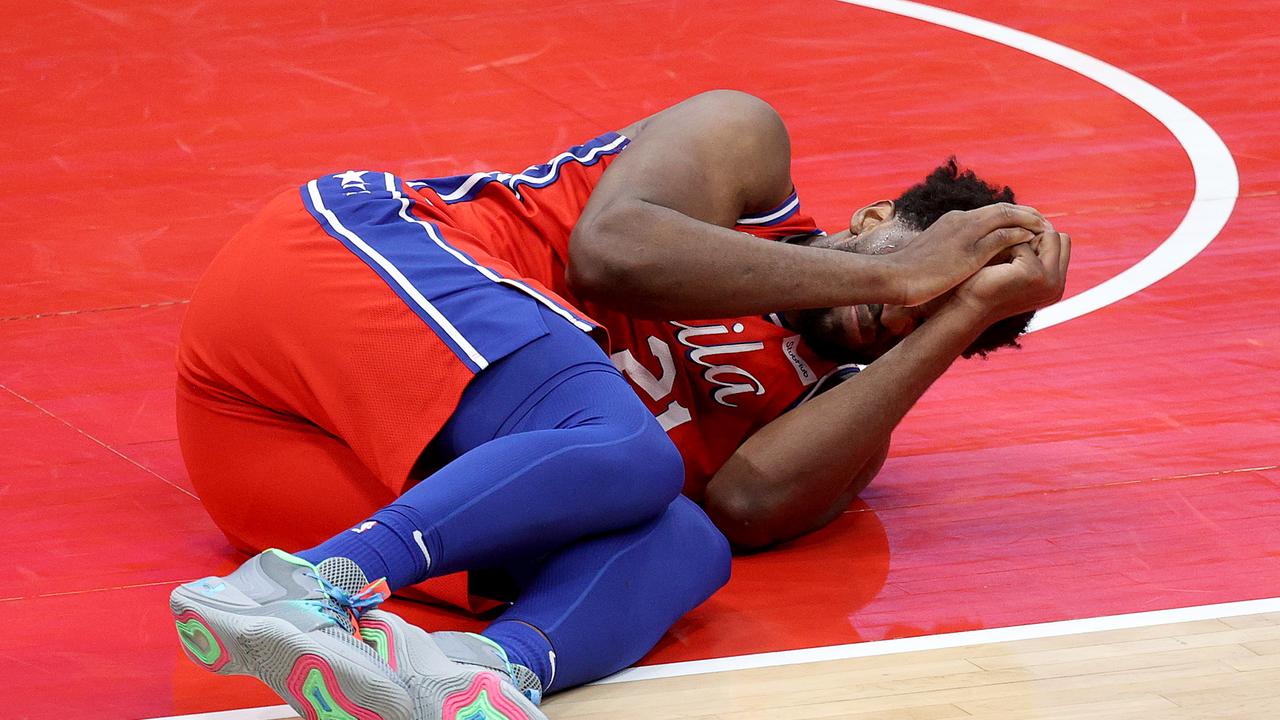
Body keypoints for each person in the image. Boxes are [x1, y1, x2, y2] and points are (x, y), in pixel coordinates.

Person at [170, 90, 1069, 720]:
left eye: (928, 321)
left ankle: (472, 681)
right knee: (631, 450)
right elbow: (611, 253)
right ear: (877, 219)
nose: (905, 309)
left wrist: (959, 315)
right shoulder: (748, 155)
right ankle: (301, 593)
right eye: (925, 274)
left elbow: (746, 509)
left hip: (271, 465)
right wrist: (899, 272)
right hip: (329, 277)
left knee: (684, 539)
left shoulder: (840, 412)